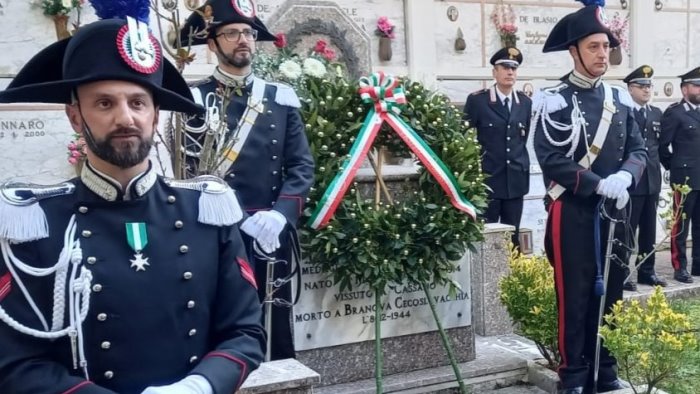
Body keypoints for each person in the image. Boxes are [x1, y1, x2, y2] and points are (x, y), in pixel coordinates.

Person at [0, 9, 265, 394]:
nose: (126, 118)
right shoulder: (33, 222)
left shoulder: (206, 212)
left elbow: (245, 332)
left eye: (138, 103)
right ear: (76, 117)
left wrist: (199, 387)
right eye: (104, 104)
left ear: (155, 115)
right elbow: (15, 363)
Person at [179, 0, 314, 361]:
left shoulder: (280, 98)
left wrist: (280, 216)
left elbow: (301, 166)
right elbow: (188, 175)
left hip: (271, 233)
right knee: (224, 322)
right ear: (212, 43)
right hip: (220, 232)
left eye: (248, 33)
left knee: (275, 324)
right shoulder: (193, 99)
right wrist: (240, 220)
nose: (242, 40)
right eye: (232, 33)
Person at [532, 5, 647, 394]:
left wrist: (625, 176)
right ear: (574, 51)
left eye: (605, 46)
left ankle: (605, 367)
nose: (602, 54)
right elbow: (551, 159)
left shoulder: (620, 99)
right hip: (575, 211)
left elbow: (639, 149)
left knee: (613, 290)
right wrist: (597, 183)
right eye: (594, 47)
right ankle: (575, 375)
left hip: (616, 210)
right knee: (576, 293)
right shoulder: (554, 100)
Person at [463, 46, 532, 249]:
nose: (510, 72)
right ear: (495, 72)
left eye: (514, 68)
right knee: (488, 238)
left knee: (513, 237)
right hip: (488, 181)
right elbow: (464, 137)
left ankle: (511, 279)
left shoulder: (525, 103)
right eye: (505, 67)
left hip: (516, 183)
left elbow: (522, 138)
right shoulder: (478, 101)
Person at [621, 65, 667, 290]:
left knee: (649, 230)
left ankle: (646, 271)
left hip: (651, 181)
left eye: (649, 86)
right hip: (632, 182)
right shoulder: (624, 112)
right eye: (641, 86)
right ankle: (622, 273)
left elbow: (661, 147)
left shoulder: (656, 113)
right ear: (630, 89)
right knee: (627, 231)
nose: (646, 90)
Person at [659, 66, 700, 283]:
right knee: (681, 226)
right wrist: (675, 168)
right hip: (684, 180)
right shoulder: (675, 113)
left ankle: (698, 266)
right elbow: (663, 147)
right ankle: (679, 267)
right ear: (685, 90)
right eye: (696, 85)